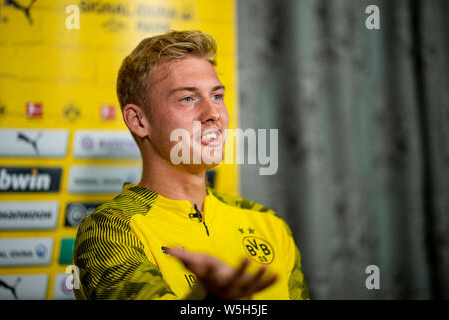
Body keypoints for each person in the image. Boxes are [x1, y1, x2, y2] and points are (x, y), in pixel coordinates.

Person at [73, 30, 309, 300]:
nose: (213, 115)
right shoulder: (109, 230)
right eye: (188, 98)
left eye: (217, 96)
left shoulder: (269, 224)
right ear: (139, 121)